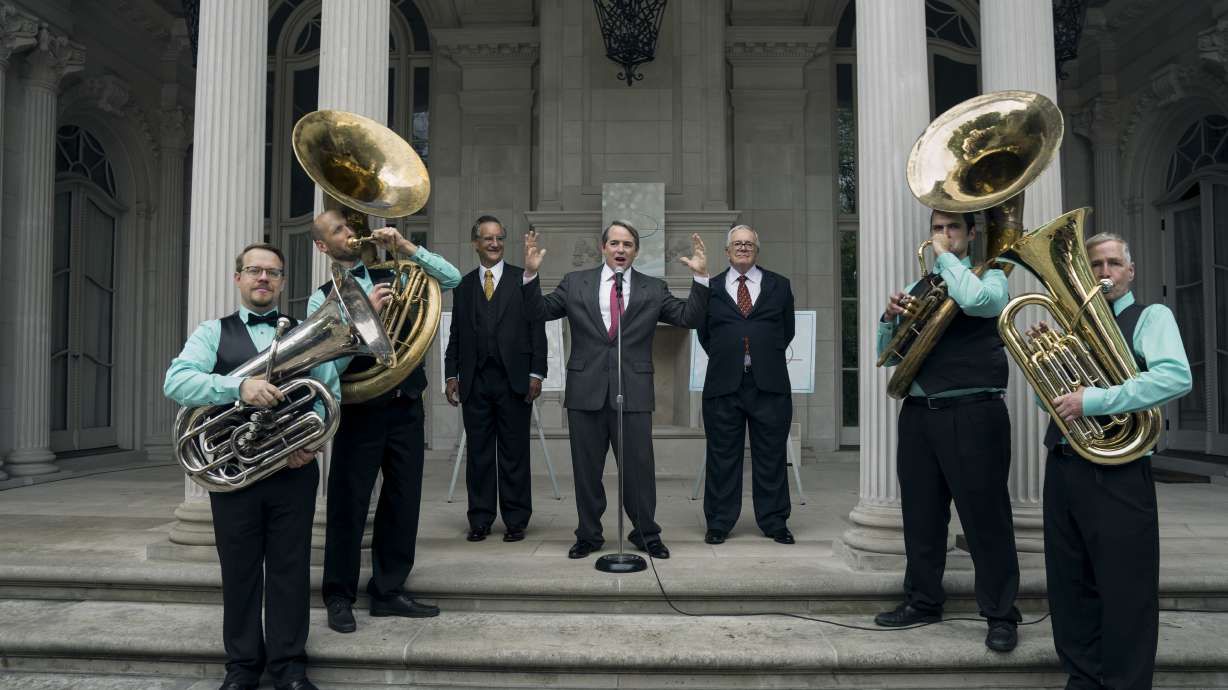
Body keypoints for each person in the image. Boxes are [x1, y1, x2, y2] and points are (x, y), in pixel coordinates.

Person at [164, 243, 337, 690]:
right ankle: (242, 667)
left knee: (290, 570)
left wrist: (311, 441)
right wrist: (238, 387)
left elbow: (329, 394)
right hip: (234, 476)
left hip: (293, 470)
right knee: (239, 572)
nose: (263, 278)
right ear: (238, 278)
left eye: (272, 272)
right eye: (254, 270)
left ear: (282, 282)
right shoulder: (212, 332)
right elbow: (176, 381)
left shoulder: (310, 332)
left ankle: (289, 667)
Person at [1040, 232, 1191, 690]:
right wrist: (1049, 368)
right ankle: (1082, 678)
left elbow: (1175, 376)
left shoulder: (1152, 316)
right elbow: (1053, 402)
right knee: (1069, 583)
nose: (1105, 272)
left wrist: (1093, 400)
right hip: (1064, 465)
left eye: (1113, 263)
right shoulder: (1072, 324)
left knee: (1127, 588)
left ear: (1130, 271)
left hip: (1119, 471)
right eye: (1096, 265)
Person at [874, 210, 1022, 653]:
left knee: (985, 519)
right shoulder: (924, 285)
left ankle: (1001, 614)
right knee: (921, 515)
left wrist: (946, 260)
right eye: (937, 229)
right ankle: (923, 600)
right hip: (920, 413)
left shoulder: (991, 276)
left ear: (971, 234)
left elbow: (978, 303)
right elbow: (890, 355)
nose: (943, 235)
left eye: (952, 228)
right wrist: (889, 317)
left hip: (973, 412)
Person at [308, 210, 461, 634]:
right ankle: (339, 595)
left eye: (348, 226)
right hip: (360, 410)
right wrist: (362, 320)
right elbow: (321, 364)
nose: (349, 233)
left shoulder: (395, 273)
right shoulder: (322, 298)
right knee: (348, 503)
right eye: (337, 231)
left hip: (405, 404)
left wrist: (406, 247)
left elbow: (452, 279)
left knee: (402, 501)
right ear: (322, 246)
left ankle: (388, 590)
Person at [521, 221, 708, 560]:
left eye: (628, 244)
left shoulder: (653, 288)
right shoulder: (575, 282)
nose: (621, 249)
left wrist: (701, 278)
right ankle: (589, 535)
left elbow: (688, 317)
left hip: (633, 390)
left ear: (636, 251)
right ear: (603, 247)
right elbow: (538, 311)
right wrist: (531, 275)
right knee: (586, 470)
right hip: (585, 390)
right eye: (615, 243)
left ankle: (646, 534)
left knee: (638, 469)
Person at [445, 215, 548, 543]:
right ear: (475, 243)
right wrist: (451, 374)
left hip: (514, 381)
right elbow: (456, 334)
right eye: (488, 238)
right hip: (475, 381)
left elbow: (537, 327)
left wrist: (536, 372)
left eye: (499, 238)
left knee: (514, 453)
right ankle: (480, 519)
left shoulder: (523, 278)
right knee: (478, 454)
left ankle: (516, 520)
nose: (494, 243)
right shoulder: (463, 285)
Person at [697, 224, 795, 546]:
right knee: (722, 457)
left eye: (748, 244)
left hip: (769, 384)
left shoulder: (779, 285)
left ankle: (775, 521)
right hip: (723, 385)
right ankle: (719, 522)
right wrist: (733, 355)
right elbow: (704, 334)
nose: (742, 248)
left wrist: (760, 354)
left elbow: (787, 331)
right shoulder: (710, 288)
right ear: (727, 251)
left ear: (757, 250)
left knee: (771, 457)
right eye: (737, 244)